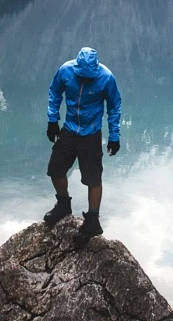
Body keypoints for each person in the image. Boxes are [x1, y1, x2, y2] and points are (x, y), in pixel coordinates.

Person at [44, 46, 122, 246]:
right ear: (77, 67)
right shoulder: (66, 71)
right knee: (55, 169)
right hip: (70, 128)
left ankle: (93, 220)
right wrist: (53, 120)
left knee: (93, 178)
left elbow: (114, 107)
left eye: (89, 76)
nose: (86, 79)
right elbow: (54, 92)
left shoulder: (106, 77)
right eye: (83, 76)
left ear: (96, 69)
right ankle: (63, 204)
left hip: (91, 133)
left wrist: (114, 135)